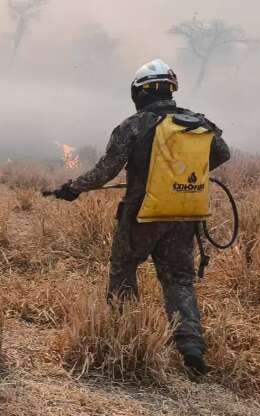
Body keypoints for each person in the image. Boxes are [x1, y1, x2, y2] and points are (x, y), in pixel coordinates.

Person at [48, 59, 230, 376]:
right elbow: (222, 153)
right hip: (184, 216)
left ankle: (124, 336)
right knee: (179, 282)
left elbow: (105, 171)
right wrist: (182, 176)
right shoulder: (199, 123)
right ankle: (191, 349)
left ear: (140, 92)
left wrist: (73, 188)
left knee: (123, 270)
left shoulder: (134, 125)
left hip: (141, 215)